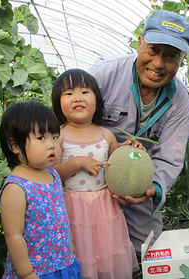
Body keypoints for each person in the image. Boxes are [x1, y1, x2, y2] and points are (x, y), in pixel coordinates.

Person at [86, 10, 189, 263]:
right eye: (153, 50)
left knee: (153, 252)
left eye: (171, 56)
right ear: (139, 42)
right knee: (87, 247)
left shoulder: (180, 100)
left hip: (138, 187)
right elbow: (69, 128)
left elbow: (170, 157)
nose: (158, 63)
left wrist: (151, 189)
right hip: (89, 179)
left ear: (181, 60)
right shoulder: (104, 74)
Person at [51, 69, 140, 279]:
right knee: (80, 258)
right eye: (69, 93)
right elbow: (52, 172)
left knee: (105, 258)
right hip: (72, 209)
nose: (78, 98)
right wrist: (78, 162)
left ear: (97, 101)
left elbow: (117, 166)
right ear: (58, 103)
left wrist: (131, 151)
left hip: (104, 208)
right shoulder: (58, 135)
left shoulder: (105, 134)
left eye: (84, 92)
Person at [0, 102, 82, 279]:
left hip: (64, 263)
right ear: (14, 146)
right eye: (41, 138)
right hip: (38, 271)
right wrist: (27, 273)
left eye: (54, 137)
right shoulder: (16, 187)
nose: (52, 145)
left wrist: (71, 246)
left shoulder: (53, 174)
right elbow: (13, 235)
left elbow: (61, 217)